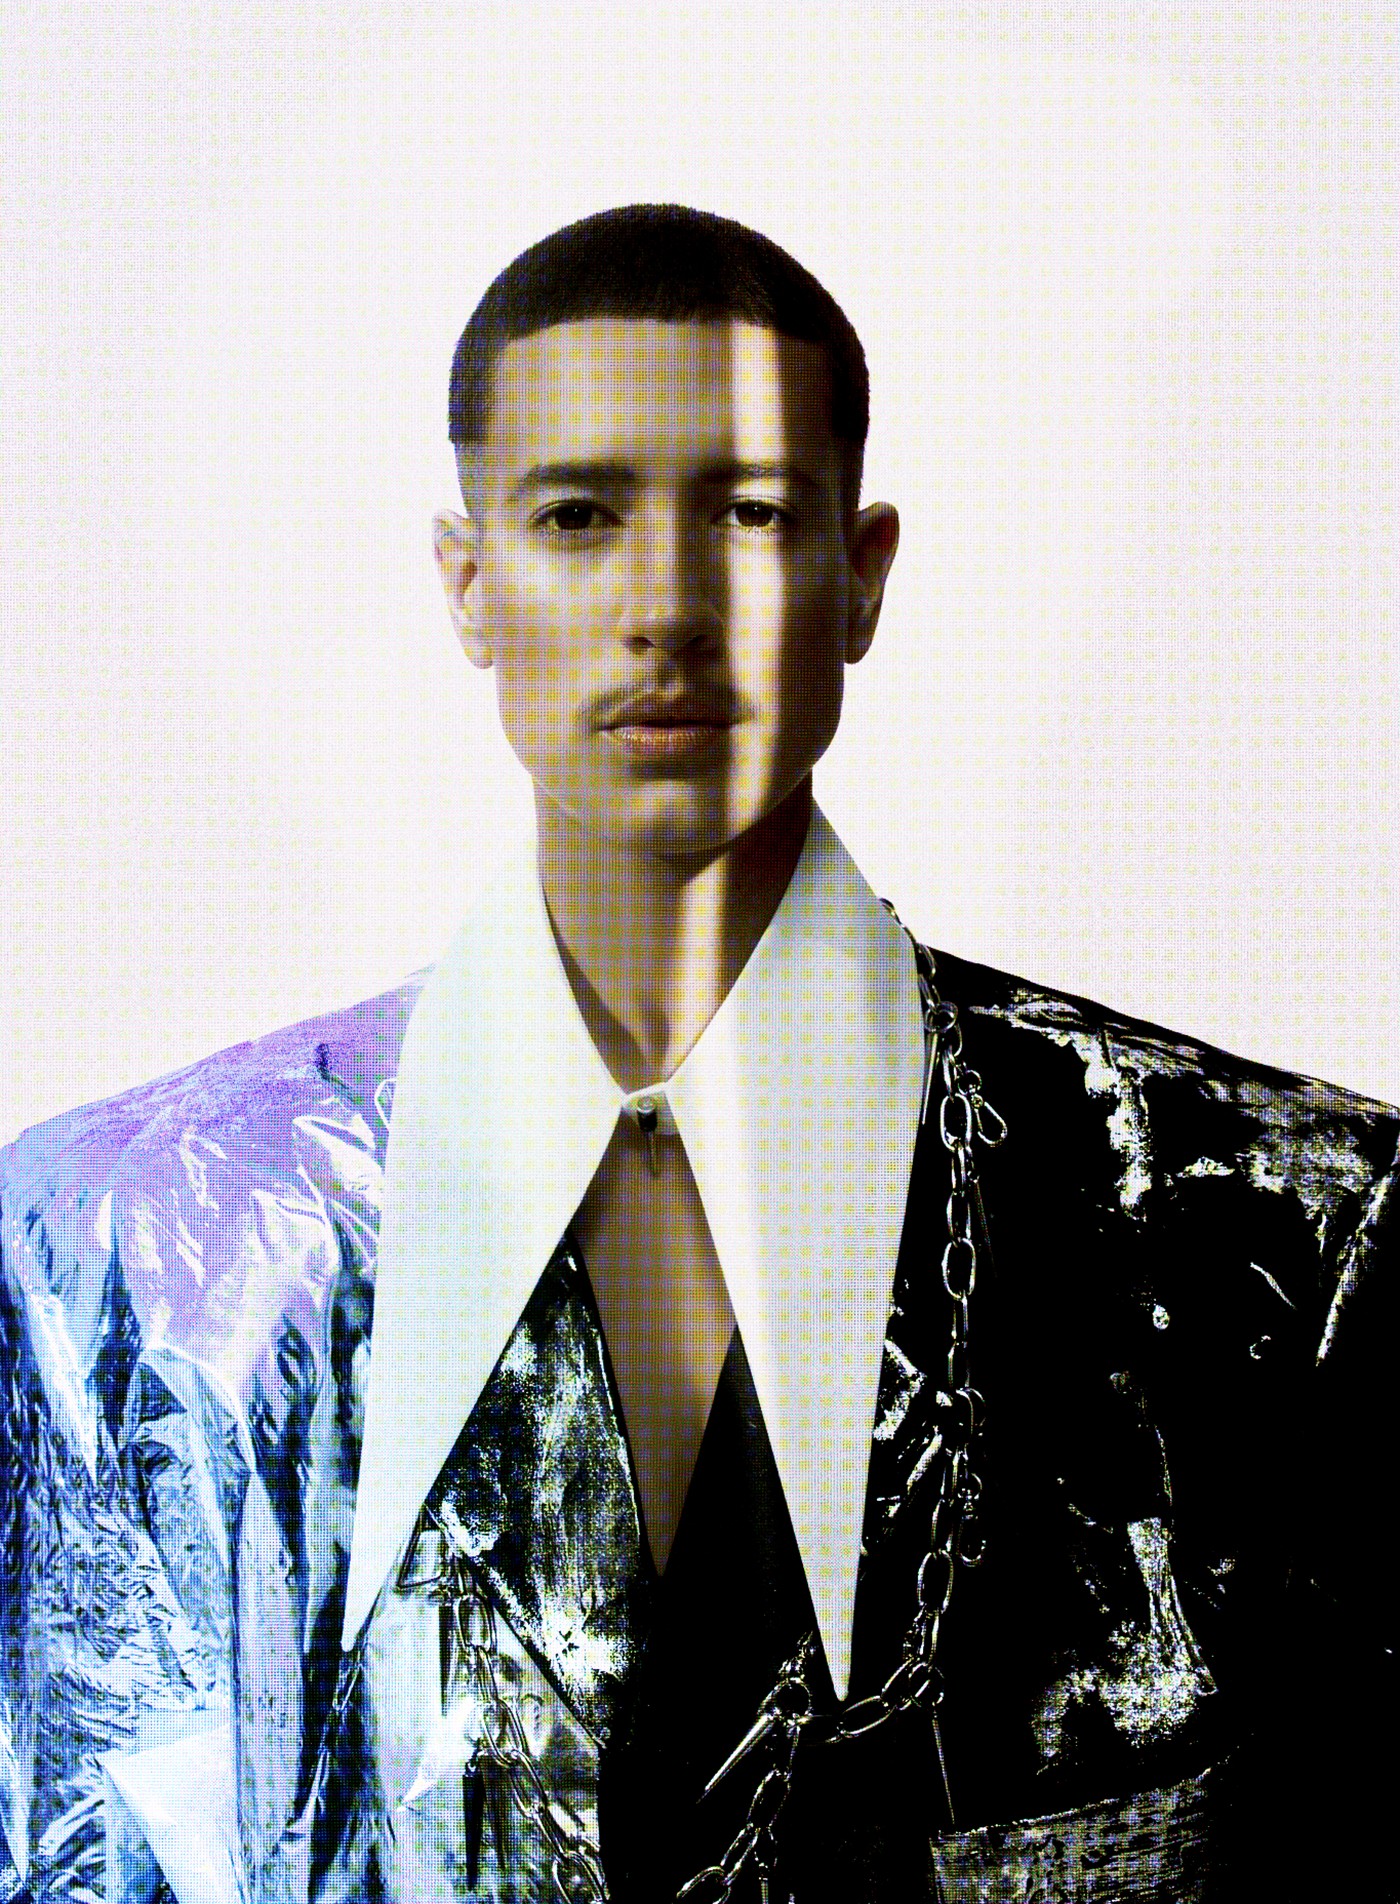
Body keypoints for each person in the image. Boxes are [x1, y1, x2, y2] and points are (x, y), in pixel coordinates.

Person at [1, 204, 1395, 1904]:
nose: (665, 610)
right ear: (468, 584)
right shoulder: (120, 1249)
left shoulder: (1292, 1232)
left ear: (861, 574)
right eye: (577, 518)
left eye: (749, 514)